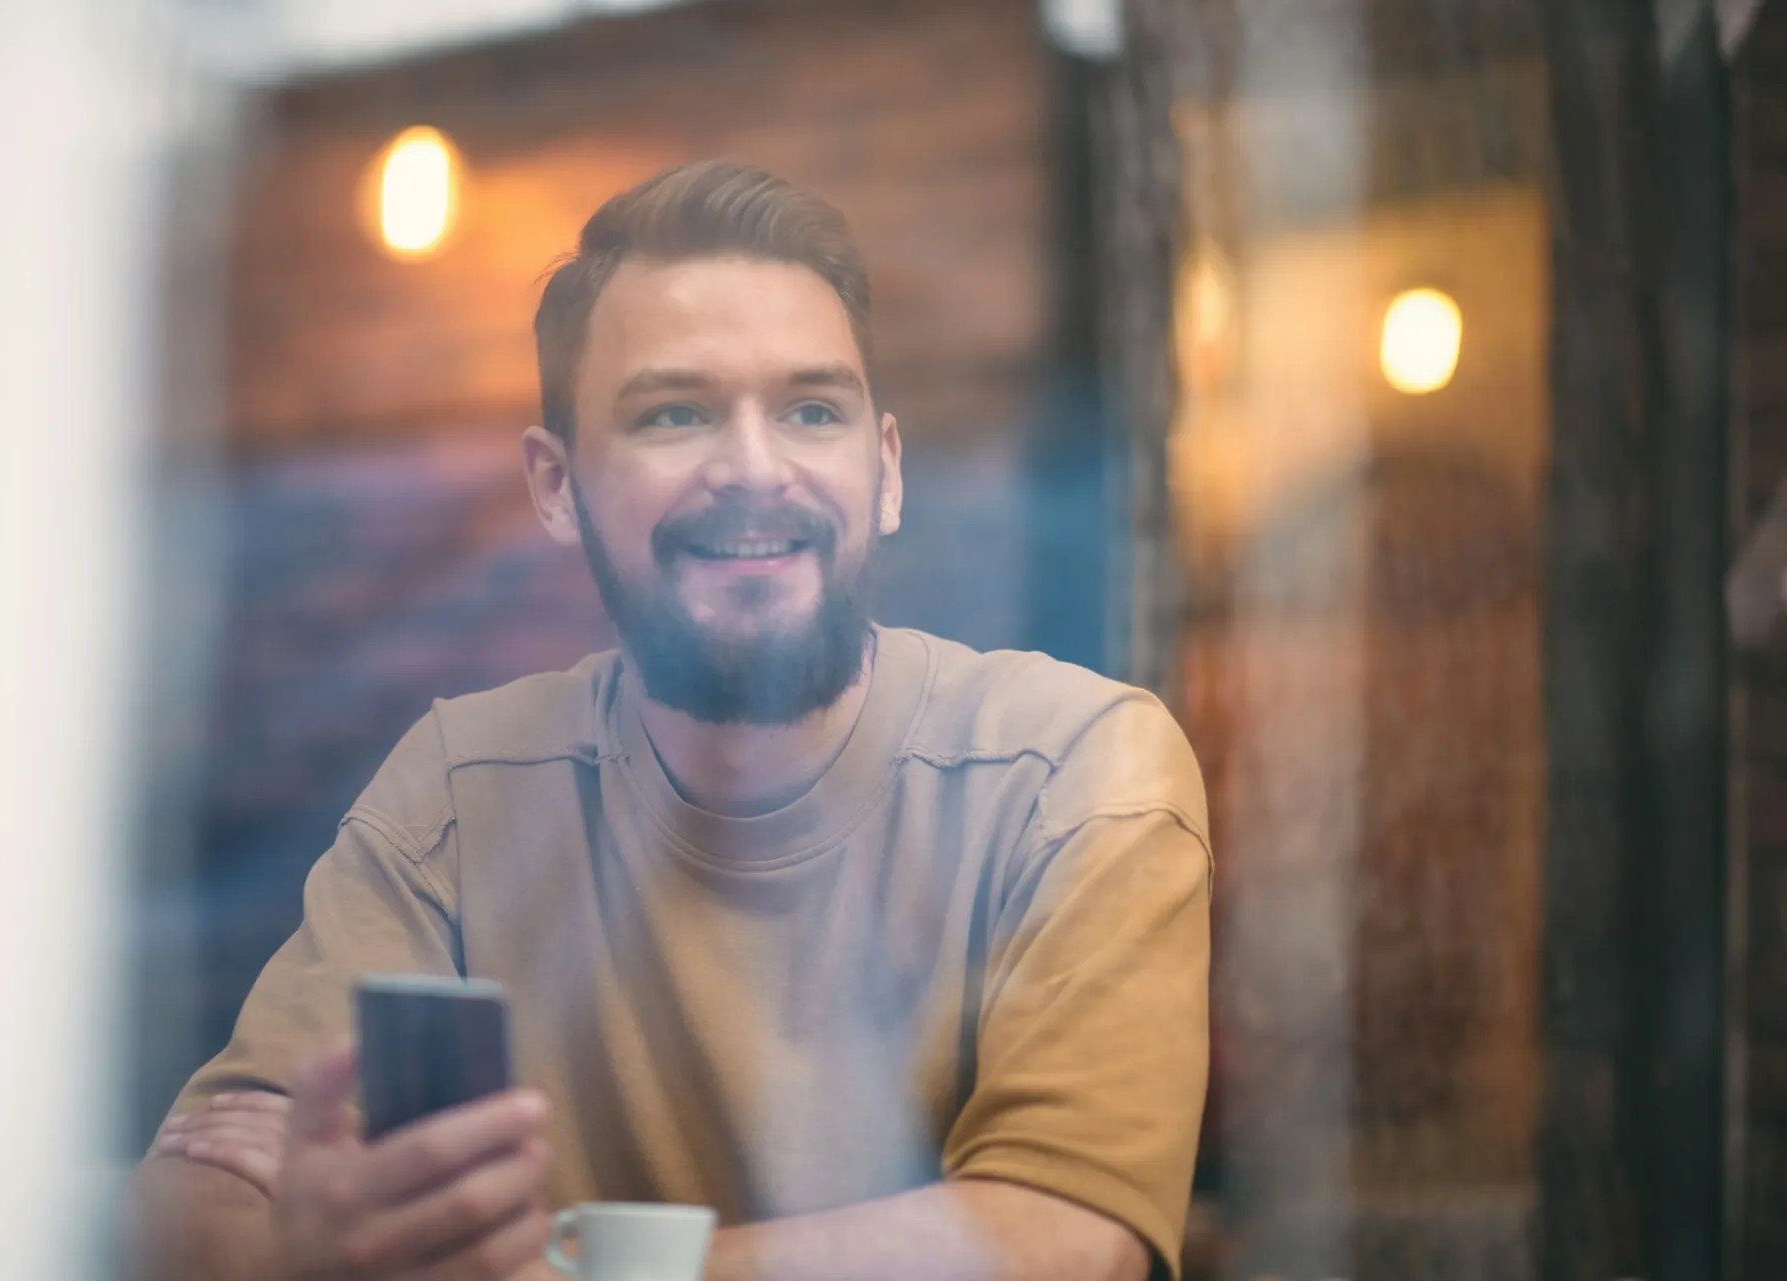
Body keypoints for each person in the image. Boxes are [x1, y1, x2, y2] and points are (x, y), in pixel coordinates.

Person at [128, 161, 1212, 1281]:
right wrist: (305, 1243)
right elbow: (197, 1189)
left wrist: (546, 1270)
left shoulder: (1073, 770)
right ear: (557, 487)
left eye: (810, 410)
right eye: (674, 413)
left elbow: (1065, 1243)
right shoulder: (465, 783)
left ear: (885, 471)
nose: (753, 469)